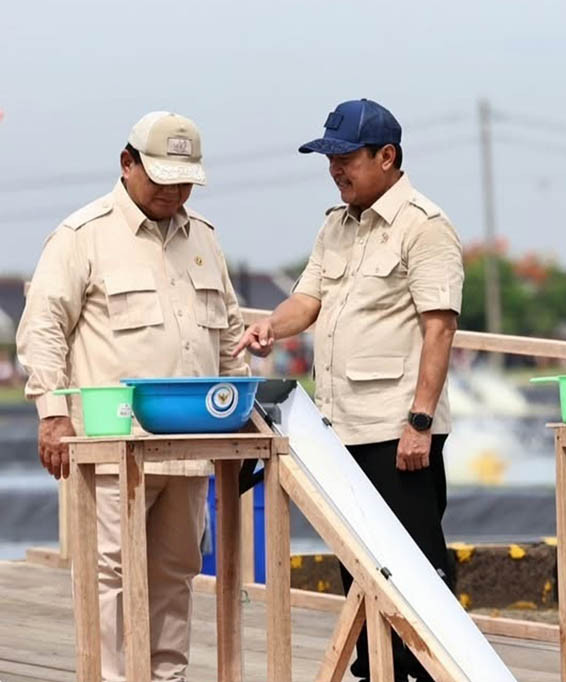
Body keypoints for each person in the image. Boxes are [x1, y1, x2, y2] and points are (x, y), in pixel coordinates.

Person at [233, 98, 463, 682]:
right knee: (359, 566)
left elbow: (439, 327)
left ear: (387, 157)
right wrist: (270, 326)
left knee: (415, 567)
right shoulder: (335, 225)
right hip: (338, 428)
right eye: (329, 158)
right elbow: (308, 301)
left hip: (397, 429)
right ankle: (374, 671)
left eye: (346, 158)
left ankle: (429, 672)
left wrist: (420, 422)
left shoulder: (424, 226)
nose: (336, 170)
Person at [17, 111, 249, 682]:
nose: (174, 190)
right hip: (113, 445)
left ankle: (165, 676)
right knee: (112, 573)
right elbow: (42, 328)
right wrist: (52, 415)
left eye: (184, 179)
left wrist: (242, 422)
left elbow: (229, 338)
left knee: (177, 568)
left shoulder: (205, 241)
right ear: (127, 164)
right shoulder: (82, 236)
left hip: (191, 444)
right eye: (162, 176)